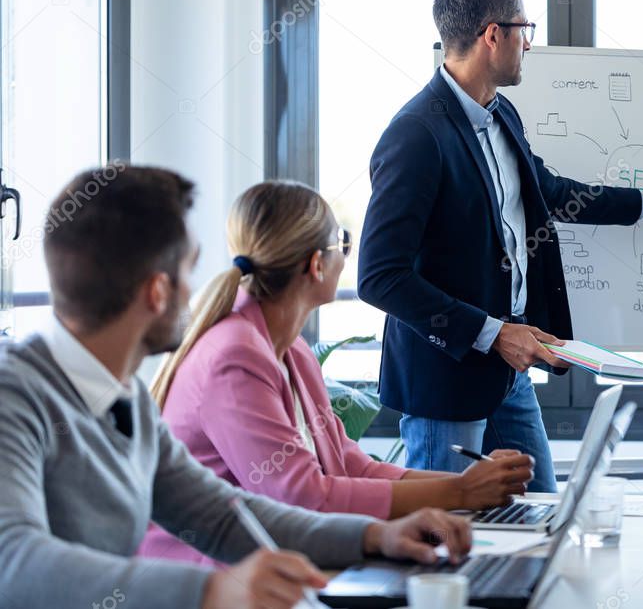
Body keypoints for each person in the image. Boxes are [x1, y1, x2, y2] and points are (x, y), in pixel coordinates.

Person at [0, 166, 471, 609]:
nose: (195, 292)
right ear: (157, 292)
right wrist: (209, 590)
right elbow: (13, 561)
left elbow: (221, 515)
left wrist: (373, 537)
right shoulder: (14, 395)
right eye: (188, 271)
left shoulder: (125, 401)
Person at [358, 0, 643, 492]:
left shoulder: (501, 115)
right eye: (525, 28)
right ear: (493, 35)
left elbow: (549, 192)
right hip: (446, 384)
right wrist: (494, 335)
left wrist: (641, 202)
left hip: (506, 373)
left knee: (541, 516)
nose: (529, 44)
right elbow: (380, 278)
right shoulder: (416, 136)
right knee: (444, 540)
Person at [140, 180, 532, 566]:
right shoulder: (235, 356)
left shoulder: (289, 348)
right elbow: (302, 498)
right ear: (316, 264)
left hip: (276, 561)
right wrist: (461, 493)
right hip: (212, 577)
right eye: (343, 243)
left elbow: (349, 466)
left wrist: (467, 488)